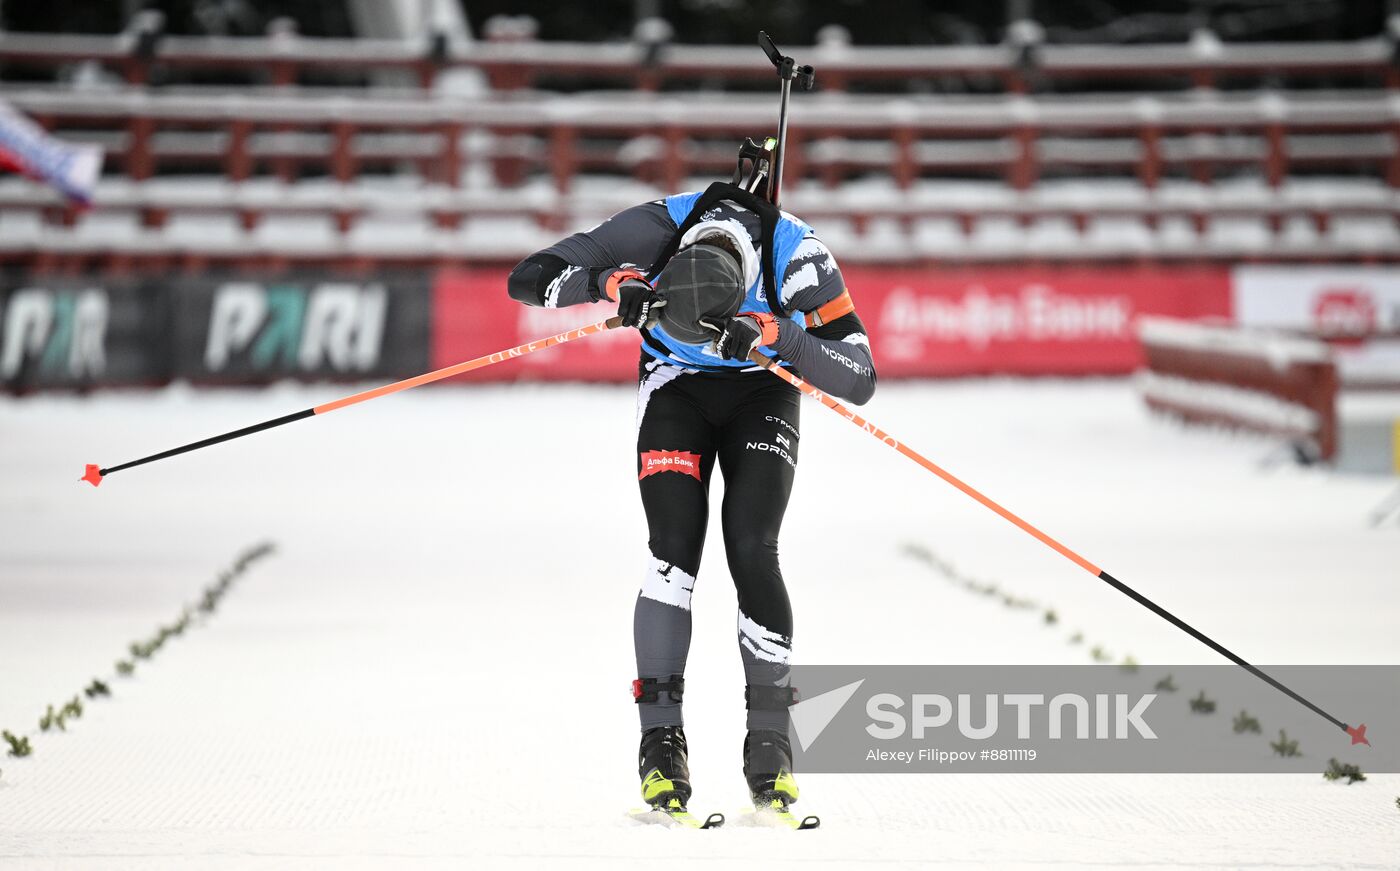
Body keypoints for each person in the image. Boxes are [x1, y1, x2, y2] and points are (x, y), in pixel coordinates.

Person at [507, 183, 876, 814]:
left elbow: (860, 375)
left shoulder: (797, 256)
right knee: (672, 550)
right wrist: (610, 284)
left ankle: (770, 747)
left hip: (760, 392)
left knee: (752, 549)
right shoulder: (655, 227)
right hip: (675, 388)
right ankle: (661, 743)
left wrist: (779, 336)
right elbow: (529, 277)